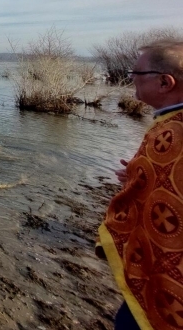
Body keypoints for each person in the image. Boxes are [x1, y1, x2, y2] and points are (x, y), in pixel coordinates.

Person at [97, 40, 183, 329]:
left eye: (136, 73)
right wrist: (140, 177)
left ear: (164, 82)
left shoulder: (176, 130)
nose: (130, 78)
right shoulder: (169, 123)